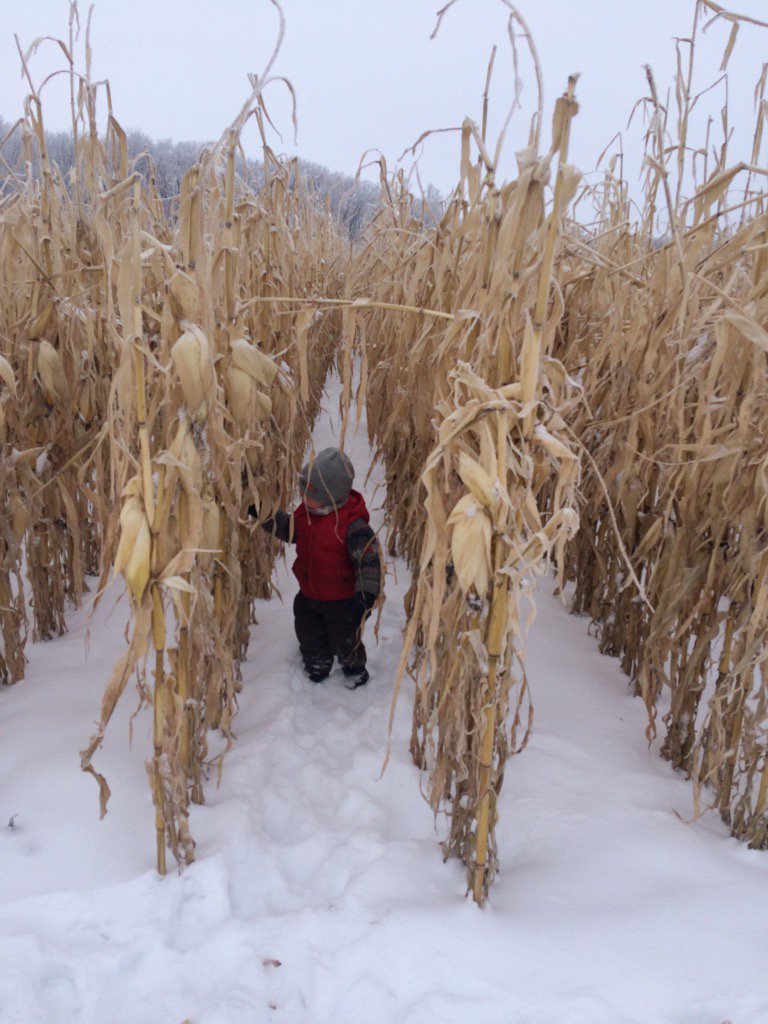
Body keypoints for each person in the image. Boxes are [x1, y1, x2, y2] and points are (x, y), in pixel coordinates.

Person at [257, 447, 381, 689]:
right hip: (309, 594)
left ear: (331, 496)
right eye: (303, 491)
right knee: (308, 632)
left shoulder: (352, 525)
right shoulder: (306, 514)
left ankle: (353, 665)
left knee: (346, 638)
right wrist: (263, 514)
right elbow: (288, 529)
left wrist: (365, 596)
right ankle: (317, 660)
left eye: (309, 493)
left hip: (342, 601)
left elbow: (368, 562)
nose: (303, 497)